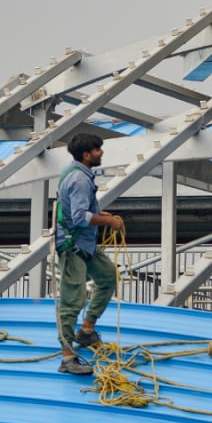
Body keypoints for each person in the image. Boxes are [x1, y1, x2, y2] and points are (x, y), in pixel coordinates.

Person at [54, 134, 124, 376]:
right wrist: (109, 222)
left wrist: (99, 213)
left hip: (85, 244)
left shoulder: (76, 173)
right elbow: (79, 217)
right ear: (86, 155)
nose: (101, 153)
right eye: (97, 150)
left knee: (107, 277)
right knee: (72, 300)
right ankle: (67, 357)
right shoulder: (80, 179)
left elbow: (76, 209)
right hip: (73, 246)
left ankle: (86, 330)